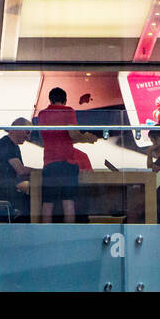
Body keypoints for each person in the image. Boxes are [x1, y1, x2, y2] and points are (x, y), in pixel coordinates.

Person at [35, 87, 97, 223]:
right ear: (65, 100)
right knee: (68, 202)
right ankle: (68, 234)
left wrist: (82, 138)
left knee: (47, 204)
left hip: (49, 162)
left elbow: (56, 137)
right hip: (67, 162)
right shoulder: (68, 111)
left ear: (50, 99)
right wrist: (86, 138)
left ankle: (45, 236)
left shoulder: (42, 114)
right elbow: (72, 134)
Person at [0, 118, 35, 220]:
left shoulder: (12, 146)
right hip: (1, 192)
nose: (28, 137)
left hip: (5, 188)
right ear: (18, 128)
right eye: (27, 132)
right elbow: (21, 171)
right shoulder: (6, 145)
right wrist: (41, 171)